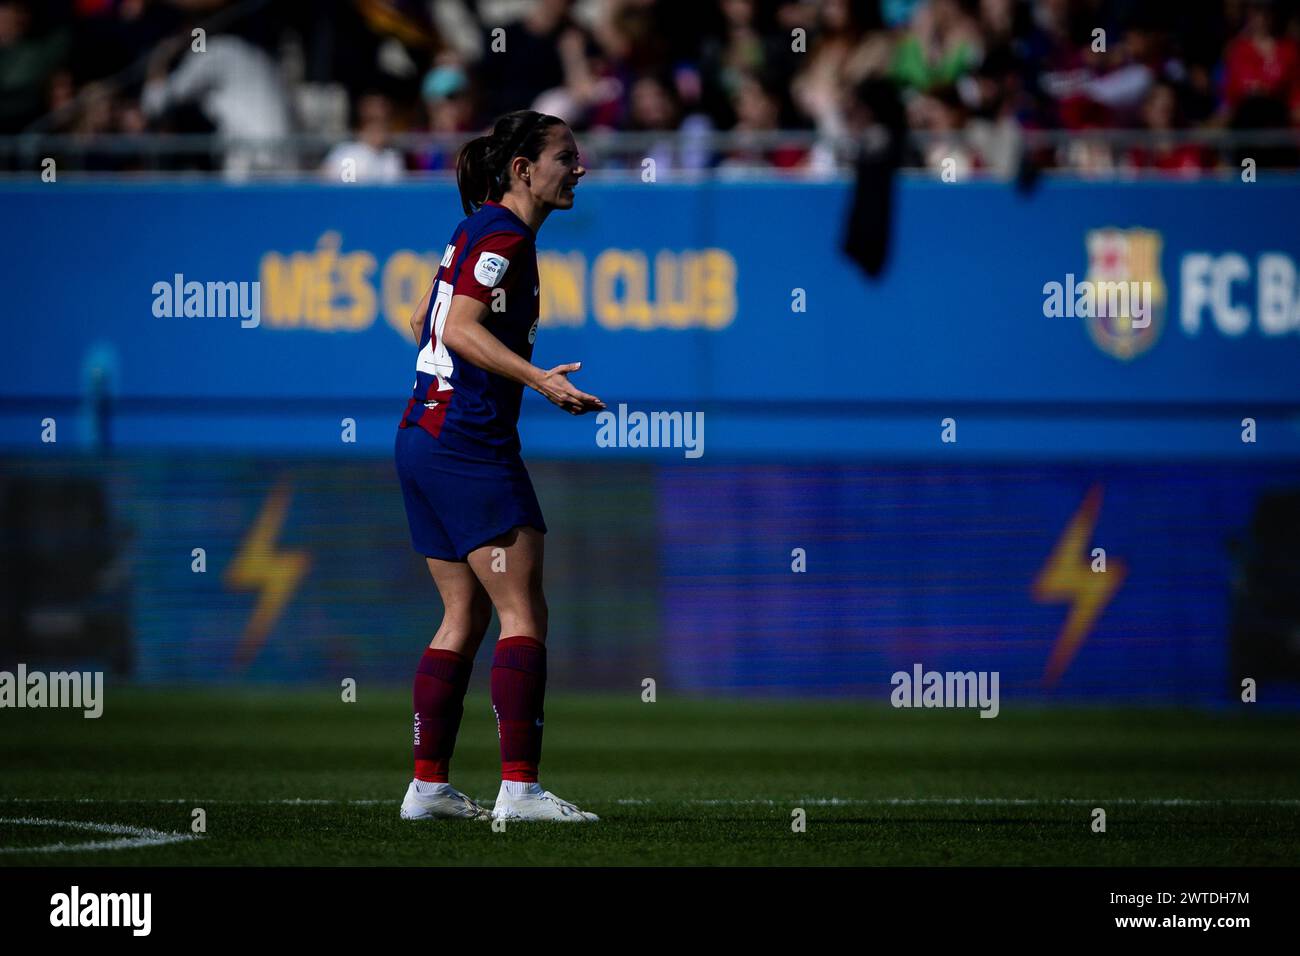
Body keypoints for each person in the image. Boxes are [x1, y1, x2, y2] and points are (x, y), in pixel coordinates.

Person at [394, 110, 605, 823]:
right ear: (523, 170)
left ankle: (428, 788)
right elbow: (455, 327)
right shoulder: (507, 235)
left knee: (464, 611)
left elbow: (425, 318)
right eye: (565, 157)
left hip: (421, 435)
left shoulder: (475, 230)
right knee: (524, 609)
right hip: (467, 443)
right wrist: (541, 380)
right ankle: (520, 790)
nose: (579, 169)